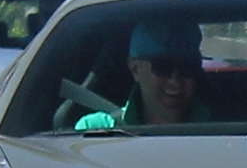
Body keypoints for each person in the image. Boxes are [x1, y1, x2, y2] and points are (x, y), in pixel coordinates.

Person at [74, 20, 210, 129]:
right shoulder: (95, 129)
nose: (175, 80)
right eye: (162, 66)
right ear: (135, 68)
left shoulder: (223, 128)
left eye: (188, 65)